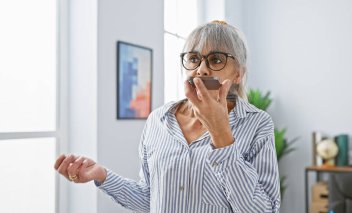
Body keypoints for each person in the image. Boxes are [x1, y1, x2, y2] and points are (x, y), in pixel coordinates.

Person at [54, 20, 281, 213]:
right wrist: (102, 175)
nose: (201, 69)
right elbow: (150, 199)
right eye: (193, 58)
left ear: (238, 74)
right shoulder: (159, 120)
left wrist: (221, 134)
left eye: (216, 59)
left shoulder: (257, 124)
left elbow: (263, 209)